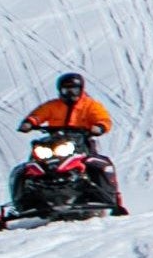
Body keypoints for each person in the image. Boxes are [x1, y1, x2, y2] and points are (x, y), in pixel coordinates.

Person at [18, 70, 125, 214]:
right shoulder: (53, 105)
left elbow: (103, 118)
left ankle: (107, 196)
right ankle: (23, 199)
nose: (70, 93)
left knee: (97, 163)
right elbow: (39, 114)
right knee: (27, 166)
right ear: (60, 90)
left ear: (81, 89)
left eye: (74, 89)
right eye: (66, 90)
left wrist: (99, 127)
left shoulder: (90, 105)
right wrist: (29, 123)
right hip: (54, 142)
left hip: (80, 140)